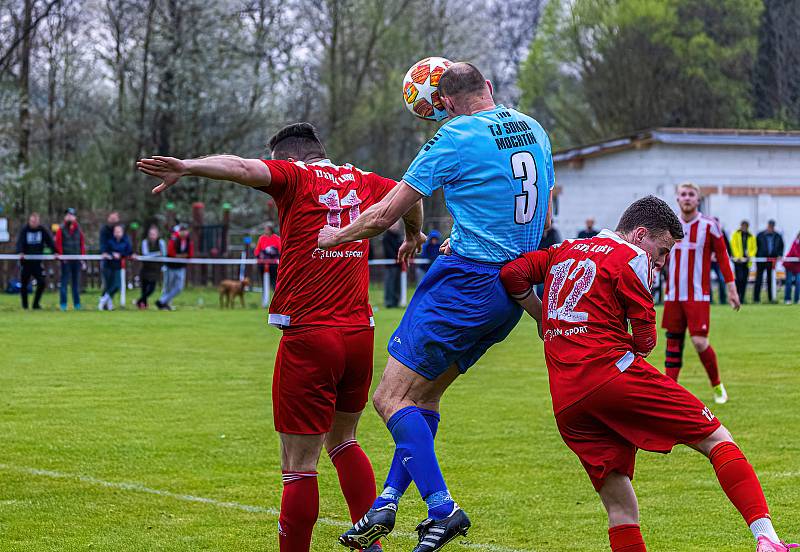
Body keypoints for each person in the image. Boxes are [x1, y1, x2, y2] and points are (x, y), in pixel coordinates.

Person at [137, 121, 423, 552]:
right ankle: (372, 548)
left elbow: (238, 167)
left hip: (310, 335)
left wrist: (189, 167)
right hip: (359, 334)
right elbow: (410, 191)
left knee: (298, 466)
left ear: (288, 159)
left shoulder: (295, 176)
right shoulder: (364, 180)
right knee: (344, 440)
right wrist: (415, 233)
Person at [318, 62, 555, 551]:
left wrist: (335, 235)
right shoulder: (534, 129)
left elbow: (386, 211)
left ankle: (443, 508)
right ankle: (386, 501)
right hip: (509, 291)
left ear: (444, 103)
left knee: (389, 399)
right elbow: (543, 215)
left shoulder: (455, 135)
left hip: (465, 284)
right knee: (422, 398)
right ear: (488, 87)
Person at [499, 196, 797, 552]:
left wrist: (543, 319)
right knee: (718, 440)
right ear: (640, 234)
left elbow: (512, 274)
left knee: (621, 508)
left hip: (565, 398)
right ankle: (767, 538)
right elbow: (645, 339)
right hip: (612, 377)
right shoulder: (632, 257)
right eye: (664, 249)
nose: (662, 260)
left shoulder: (565, 248)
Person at [660, 183, 740, 404]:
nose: (687, 198)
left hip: (698, 295)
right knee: (673, 342)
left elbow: (723, 257)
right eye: (683, 194)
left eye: (691, 195)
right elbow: (658, 255)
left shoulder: (709, 226)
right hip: (673, 295)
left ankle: (717, 386)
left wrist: (732, 288)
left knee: (699, 342)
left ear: (698, 199)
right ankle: (670, 393)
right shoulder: (668, 226)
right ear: (677, 199)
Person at [15, 212, 55, 309]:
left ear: (38, 221)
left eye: (35, 221)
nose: (33, 223)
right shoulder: (24, 230)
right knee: (24, 284)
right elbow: (19, 242)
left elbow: (50, 241)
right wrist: (20, 252)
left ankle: (35, 304)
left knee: (42, 282)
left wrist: (55, 251)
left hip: (37, 262)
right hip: (26, 262)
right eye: (32, 221)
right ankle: (25, 306)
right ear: (29, 221)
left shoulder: (42, 230)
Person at [54, 208, 86, 311]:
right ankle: (63, 304)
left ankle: (77, 304)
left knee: (76, 283)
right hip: (66, 260)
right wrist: (62, 257)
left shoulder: (78, 229)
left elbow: (82, 244)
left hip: (76, 259)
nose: (69, 217)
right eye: (68, 215)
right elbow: (58, 244)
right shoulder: (61, 229)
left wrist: (82, 257)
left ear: (75, 217)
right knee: (64, 282)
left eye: (71, 215)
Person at [156, 224, 193, 310]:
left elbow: (190, 254)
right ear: (179, 232)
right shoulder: (174, 239)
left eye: (185, 231)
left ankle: (162, 301)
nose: (184, 233)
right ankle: (165, 304)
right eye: (182, 231)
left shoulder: (189, 241)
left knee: (179, 287)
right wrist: (181, 256)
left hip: (181, 267)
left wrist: (180, 256)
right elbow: (171, 253)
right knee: (168, 286)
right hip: (171, 267)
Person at [98, 224, 133, 310]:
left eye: (119, 231)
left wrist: (120, 254)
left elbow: (128, 252)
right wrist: (111, 254)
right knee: (108, 285)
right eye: (116, 231)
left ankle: (103, 299)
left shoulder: (125, 241)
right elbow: (104, 250)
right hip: (108, 265)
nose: (117, 233)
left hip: (118, 266)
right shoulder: (109, 241)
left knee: (117, 285)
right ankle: (108, 305)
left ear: (122, 232)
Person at [754, 220, 784, 303]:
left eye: (772, 226)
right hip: (761, 260)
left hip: (772, 261)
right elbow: (755, 246)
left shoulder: (778, 236)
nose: (771, 228)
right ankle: (756, 299)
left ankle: (771, 299)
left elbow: (781, 246)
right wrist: (758, 256)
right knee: (759, 279)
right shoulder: (760, 235)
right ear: (767, 226)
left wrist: (779, 254)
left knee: (771, 280)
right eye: (770, 226)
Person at [137, 225, 166, 309]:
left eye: (154, 234)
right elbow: (146, 255)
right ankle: (143, 305)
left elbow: (164, 254)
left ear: (157, 235)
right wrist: (157, 254)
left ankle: (139, 301)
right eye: (151, 234)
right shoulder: (145, 242)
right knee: (144, 288)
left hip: (155, 269)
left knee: (151, 289)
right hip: (145, 268)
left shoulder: (161, 242)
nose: (152, 236)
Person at [731, 220, 756, 304]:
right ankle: (737, 296)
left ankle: (742, 298)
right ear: (741, 226)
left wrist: (750, 255)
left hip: (747, 262)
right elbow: (733, 245)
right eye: (743, 226)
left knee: (745, 280)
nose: (744, 228)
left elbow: (754, 248)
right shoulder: (735, 234)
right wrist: (738, 256)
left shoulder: (751, 236)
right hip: (738, 261)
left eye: (746, 226)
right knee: (738, 279)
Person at [709, 216, 732, 305]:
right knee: (707, 280)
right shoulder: (706, 232)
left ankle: (723, 299)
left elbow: (727, 245)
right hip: (708, 261)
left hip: (718, 261)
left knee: (722, 280)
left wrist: (729, 256)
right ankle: (709, 299)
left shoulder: (722, 233)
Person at [382, 221, 403, 308]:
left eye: (396, 224)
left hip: (399, 264)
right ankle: (389, 302)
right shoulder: (386, 237)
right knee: (390, 283)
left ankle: (396, 302)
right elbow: (388, 250)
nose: (395, 226)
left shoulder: (399, 236)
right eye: (393, 224)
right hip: (390, 265)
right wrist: (397, 257)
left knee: (397, 284)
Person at [255, 223, 281, 290]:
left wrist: (273, 252)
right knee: (264, 281)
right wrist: (260, 255)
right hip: (263, 263)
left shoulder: (276, 238)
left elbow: (280, 250)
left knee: (274, 281)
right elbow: (257, 251)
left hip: (273, 264)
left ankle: (275, 295)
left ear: (271, 230)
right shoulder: (261, 238)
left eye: (267, 229)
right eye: (265, 229)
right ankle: (264, 297)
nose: (265, 231)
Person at [99, 211, 120, 291]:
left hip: (117, 260)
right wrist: (105, 252)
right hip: (107, 259)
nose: (113, 220)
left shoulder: (120, 230)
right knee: (107, 282)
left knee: (116, 284)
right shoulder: (104, 229)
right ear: (108, 218)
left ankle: (105, 300)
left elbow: (124, 243)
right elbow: (103, 243)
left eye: (115, 218)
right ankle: (104, 301)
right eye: (112, 218)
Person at [783, 232, 800, 305]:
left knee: (798, 282)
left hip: (798, 267)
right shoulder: (795, 243)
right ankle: (787, 299)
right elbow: (794, 253)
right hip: (789, 265)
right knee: (789, 282)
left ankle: (796, 300)